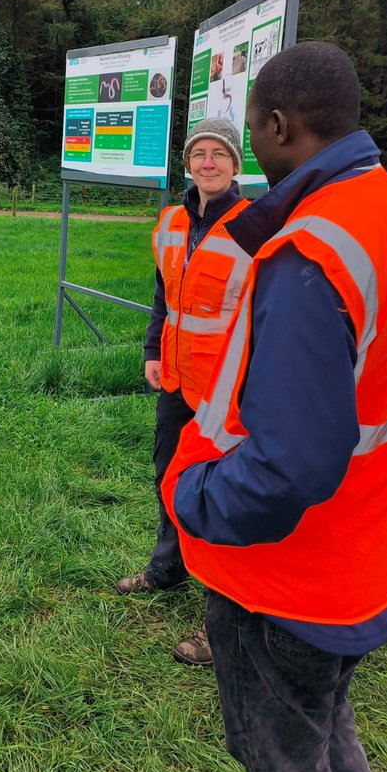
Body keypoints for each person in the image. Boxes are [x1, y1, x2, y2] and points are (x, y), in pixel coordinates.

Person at [162, 42, 387, 772]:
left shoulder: (311, 252)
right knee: (323, 732)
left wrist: (192, 498)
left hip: (292, 579)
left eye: (253, 126)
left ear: (280, 125)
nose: (251, 145)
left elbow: (289, 464)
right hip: (373, 553)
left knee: (282, 768)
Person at [117, 116, 252, 667]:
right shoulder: (172, 221)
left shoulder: (256, 224)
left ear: (236, 165)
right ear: (188, 163)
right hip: (176, 380)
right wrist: (153, 350)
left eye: (219, 153)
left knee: (223, 497)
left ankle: (219, 620)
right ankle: (166, 568)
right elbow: (163, 297)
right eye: (199, 153)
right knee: (170, 477)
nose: (208, 162)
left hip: (230, 391)